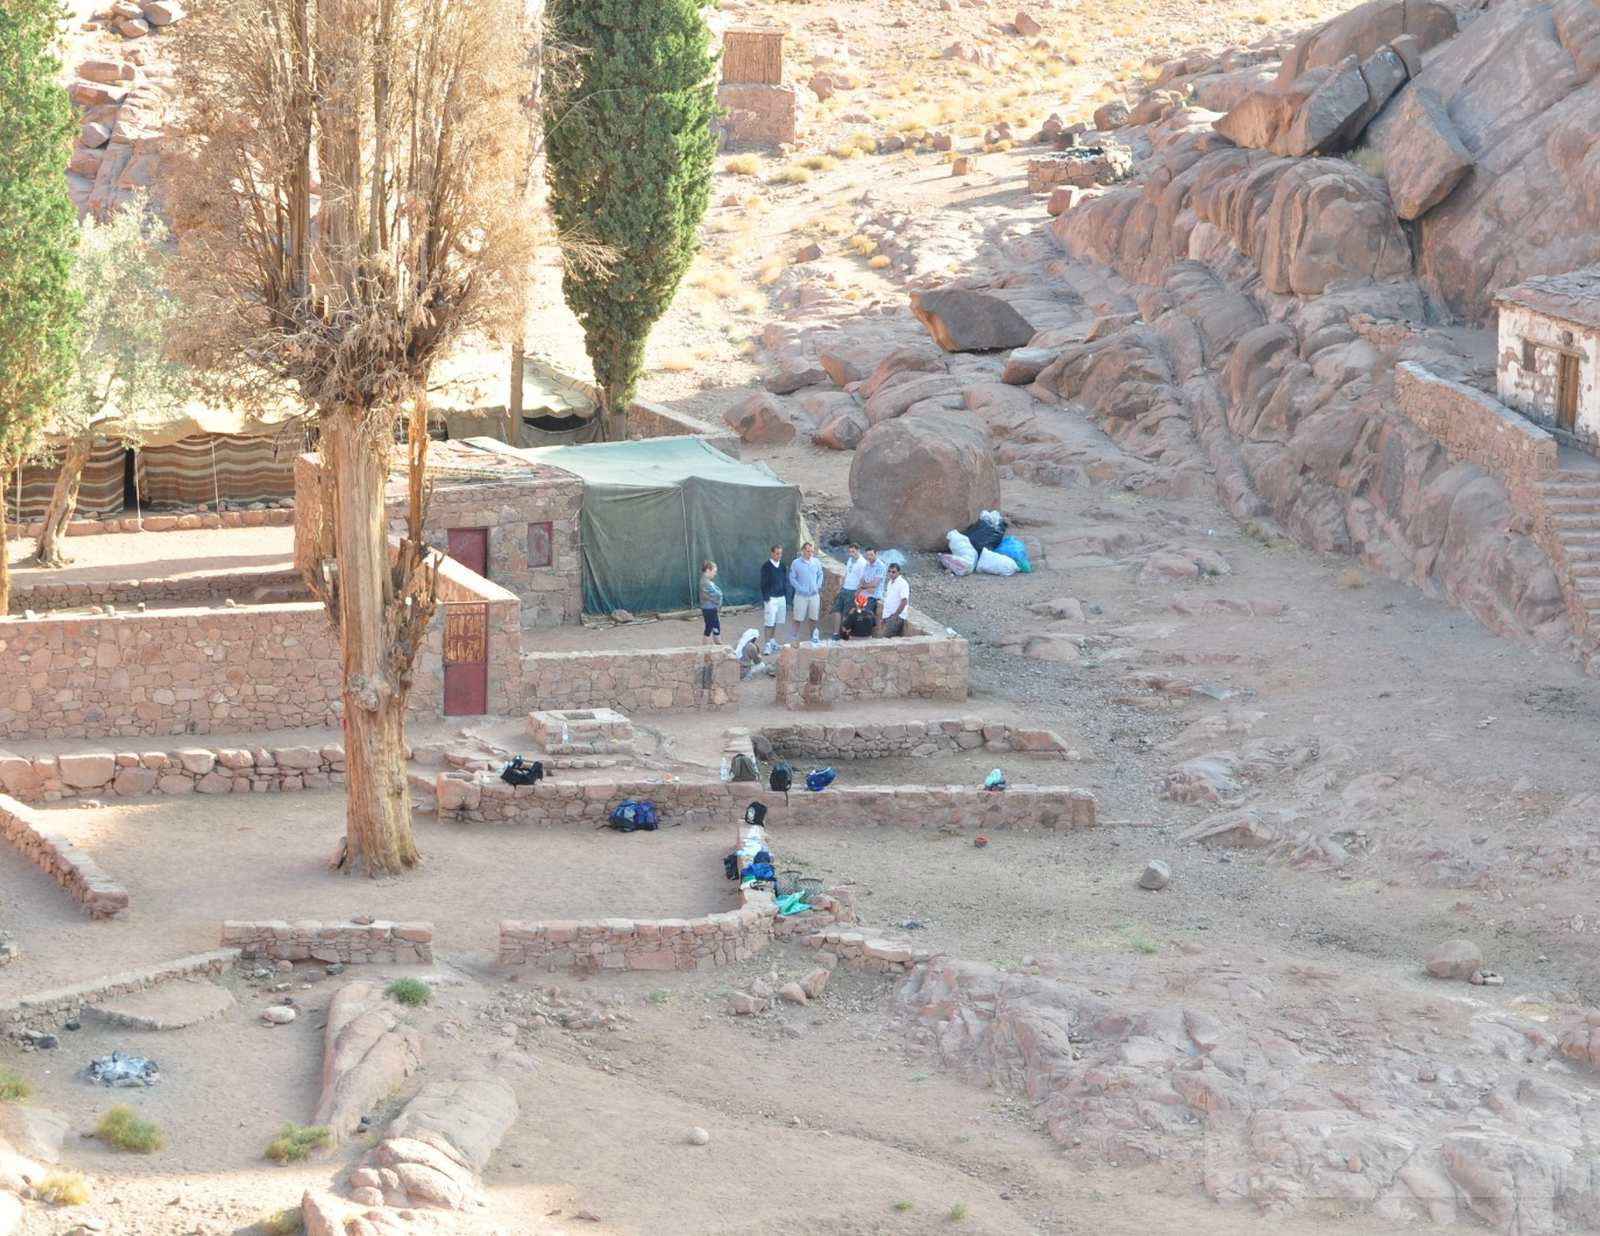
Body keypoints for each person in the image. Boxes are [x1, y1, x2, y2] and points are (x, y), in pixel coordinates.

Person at [788, 541, 823, 643]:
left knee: (813, 618)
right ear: (803, 551)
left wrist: (818, 586)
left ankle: (813, 637)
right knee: (797, 618)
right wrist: (800, 589)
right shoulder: (796, 563)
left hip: (814, 595)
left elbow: (820, 574)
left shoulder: (816, 562)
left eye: (811, 551)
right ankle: (793, 638)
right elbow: (792, 578)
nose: (810, 553)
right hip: (801, 596)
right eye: (808, 551)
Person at [830, 543, 866, 637]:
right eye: (850, 552)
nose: (851, 554)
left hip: (852, 590)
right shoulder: (850, 559)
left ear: (858, 551)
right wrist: (841, 586)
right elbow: (846, 574)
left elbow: (862, 579)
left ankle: (843, 635)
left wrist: (857, 593)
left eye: (853, 552)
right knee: (837, 610)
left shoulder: (862, 563)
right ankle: (835, 633)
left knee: (846, 614)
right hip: (844, 588)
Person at [759, 544, 786, 653]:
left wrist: (784, 594)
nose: (779, 555)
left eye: (780, 553)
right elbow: (763, 583)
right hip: (770, 599)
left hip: (781, 598)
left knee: (775, 621)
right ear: (772, 553)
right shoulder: (766, 566)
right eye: (777, 553)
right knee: (769, 622)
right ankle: (767, 645)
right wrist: (766, 597)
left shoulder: (783, 565)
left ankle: (772, 641)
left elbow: (785, 580)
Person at [880, 562, 910, 637]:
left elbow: (904, 601)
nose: (891, 573)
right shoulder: (890, 582)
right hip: (888, 615)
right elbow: (888, 599)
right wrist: (884, 617)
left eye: (893, 572)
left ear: (898, 572)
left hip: (896, 617)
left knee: (885, 639)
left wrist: (895, 615)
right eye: (889, 571)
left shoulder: (903, 583)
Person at [858, 547, 887, 617]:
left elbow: (875, 584)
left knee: (865, 618)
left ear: (876, 554)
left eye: (871, 555)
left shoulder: (881, 566)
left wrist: (863, 587)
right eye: (867, 555)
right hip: (863, 594)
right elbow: (862, 579)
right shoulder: (867, 565)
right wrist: (862, 588)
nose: (869, 557)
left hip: (872, 596)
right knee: (857, 617)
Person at [699, 560, 722, 646]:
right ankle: (705, 649)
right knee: (709, 628)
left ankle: (719, 644)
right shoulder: (705, 582)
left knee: (715, 627)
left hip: (711, 609)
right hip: (709, 609)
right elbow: (718, 595)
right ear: (708, 570)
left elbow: (718, 594)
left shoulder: (707, 581)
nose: (715, 573)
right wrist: (719, 597)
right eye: (714, 571)